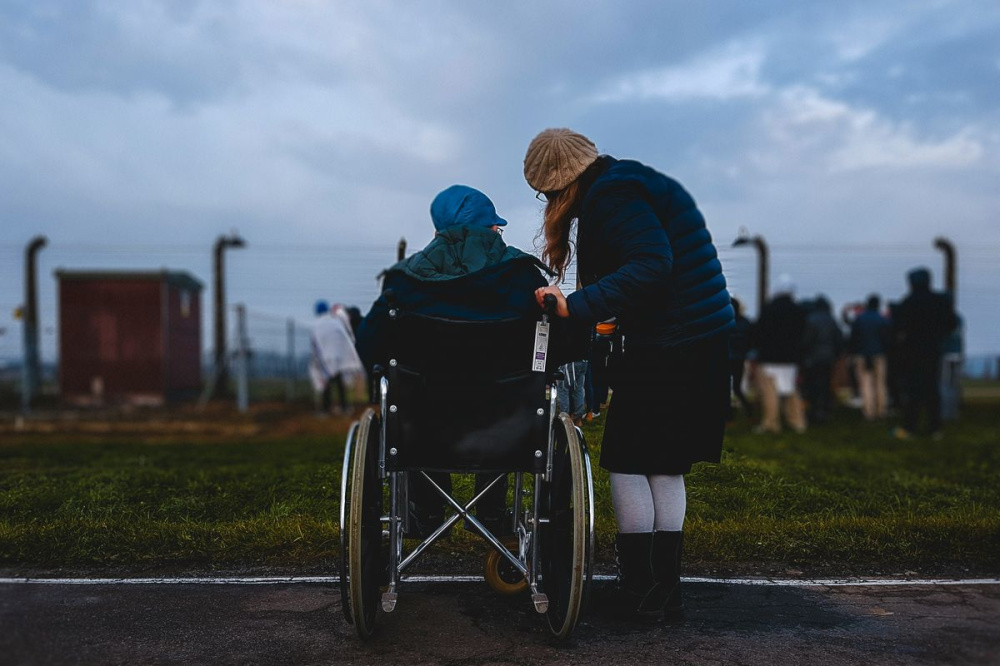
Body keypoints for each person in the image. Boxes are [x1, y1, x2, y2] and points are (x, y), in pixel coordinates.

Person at [524, 128, 733, 621]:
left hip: (671, 343)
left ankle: (638, 587)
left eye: (548, 194)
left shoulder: (612, 196)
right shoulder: (630, 181)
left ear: (561, 184)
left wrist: (575, 306)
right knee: (663, 463)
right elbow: (658, 267)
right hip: (697, 339)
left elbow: (650, 264)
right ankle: (665, 591)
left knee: (627, 459)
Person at [355, 184, 567, 538]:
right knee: (504, 398)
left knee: (418, 404)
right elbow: (559, 348)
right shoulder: (524, 277)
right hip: (507, 428)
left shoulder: (404, 281)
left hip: (422, 430)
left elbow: (368, 346)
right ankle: (493, 511)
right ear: (493, 229)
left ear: (438, 230)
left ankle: (426, 510)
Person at [891, 268, 958, 438]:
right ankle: (935, 427)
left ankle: (910, 427)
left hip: (912, 351)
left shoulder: (908, 302)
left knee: (913, 390)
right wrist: (939, 336)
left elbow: (897, 326)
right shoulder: (939, 301)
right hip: (933, 349)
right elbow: (952, 323)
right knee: (932, 389)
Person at [751, 275, 807, 434]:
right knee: (791, 390)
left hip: (769, 358)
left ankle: (771, 423)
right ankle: (797, 422)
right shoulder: (798, 311)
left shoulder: (768, 309)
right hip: (790, 358)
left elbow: (759, 333)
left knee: (770, 392)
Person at [310, 300, 364, 415]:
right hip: (339, 358)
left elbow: (315, 344)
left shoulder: (316, 326)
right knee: (340, 384)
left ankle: (325, 409)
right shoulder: (335, 322)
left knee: (327, 385)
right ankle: (345, 408)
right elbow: (345, 337)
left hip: (326, 359)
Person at [801, 295, 843, 424]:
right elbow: (838, 339)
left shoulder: (810, 319)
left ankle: (814, 412)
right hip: (828, 358)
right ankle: (824, 411)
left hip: (813, 359)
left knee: (813, 386)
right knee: (825, 385)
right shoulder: (832, 320)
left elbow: (806, 341)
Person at [849, 294, 891, 420]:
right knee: (880, 383)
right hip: (879, 355)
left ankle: (869, 412)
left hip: (862, 355)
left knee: (866, 384)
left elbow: (854, 338)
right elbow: (887, 339)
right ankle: (881, 410)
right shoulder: (883, 319)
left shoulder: (859, 319)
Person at [728, 298, 753, 420]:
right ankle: (749, 411)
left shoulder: (723, 322)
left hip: (725, 358)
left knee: (723, 388)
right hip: (739, 358)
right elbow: (751, 340)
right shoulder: (745, 322)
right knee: (737, 388)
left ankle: (729, 415)